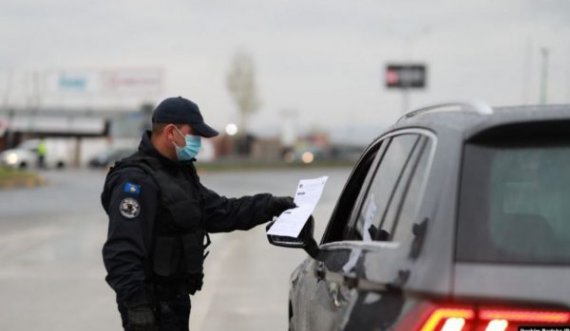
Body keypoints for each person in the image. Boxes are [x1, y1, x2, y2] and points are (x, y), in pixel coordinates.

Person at [101, 96, 296, 331]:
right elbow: (122, 250)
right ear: (171, 132)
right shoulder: (135, 181)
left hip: (175, 302)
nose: (198, 143)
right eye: (194, 134)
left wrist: (269, 205)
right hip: (149, 308)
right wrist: (137, 307)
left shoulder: (178, 174)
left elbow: (220, 211)